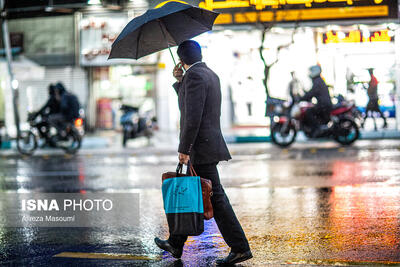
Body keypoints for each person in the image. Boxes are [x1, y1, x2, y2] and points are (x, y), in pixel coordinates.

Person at [154, 40, 252, 266]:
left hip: (201, 147)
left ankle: (240, 247)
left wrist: (184, 149)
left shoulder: (195, 77)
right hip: (207, 144)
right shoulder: (208, 74)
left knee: (215, 197)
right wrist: (180, 80)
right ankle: (176, 243)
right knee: (195, 193)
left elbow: (192, 117)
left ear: (181, 59)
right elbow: (192, 105)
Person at [300, 65, 333, 136]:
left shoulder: (317, 81)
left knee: (308, 112)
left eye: (311, 71)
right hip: (324, 104)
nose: (309, 73)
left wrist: (302, 98)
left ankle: (317, 128)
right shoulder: (318, 80)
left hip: (324, 105)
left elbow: (312, 92)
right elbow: (312, 92)